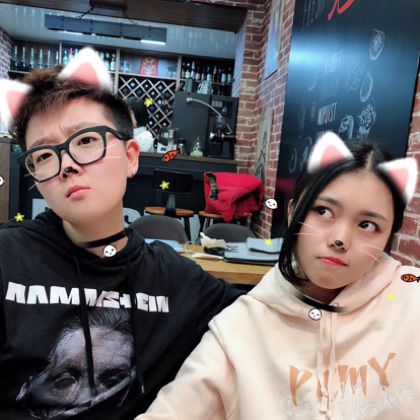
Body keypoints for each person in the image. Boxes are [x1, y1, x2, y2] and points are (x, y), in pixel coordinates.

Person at [0, 47, 243, 419]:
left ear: (131, 156)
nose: (66, 165)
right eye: (44, 155)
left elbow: (268, 321)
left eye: (85, 140)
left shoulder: (176, 282)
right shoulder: (7, 259)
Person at [137, 132, 420, 419]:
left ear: (389, 236)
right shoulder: (240, 329)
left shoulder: (411, 300)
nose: (340, 239)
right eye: (323, 211)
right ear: (293, 211)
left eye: (368, 225)